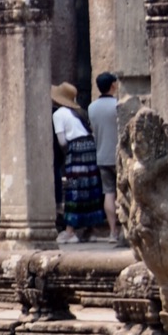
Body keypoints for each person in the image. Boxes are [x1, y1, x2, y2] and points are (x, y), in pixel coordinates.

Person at [52, 83, 107, 242]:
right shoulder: (79, 112)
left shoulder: (59, 114)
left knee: (74, 189)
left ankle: (70, 231)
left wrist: (65, 156)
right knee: (90, 188)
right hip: (90, 147)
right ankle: (91, 230)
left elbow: (62, 141)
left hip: (75, 149)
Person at [87, 72, 121, 243]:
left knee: (108, 192)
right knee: (124, 192)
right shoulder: (118, 106)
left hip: (101, 155)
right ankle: (126, 229)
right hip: (119, 155)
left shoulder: (91, 108)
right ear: (113, 86)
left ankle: (112, 231)